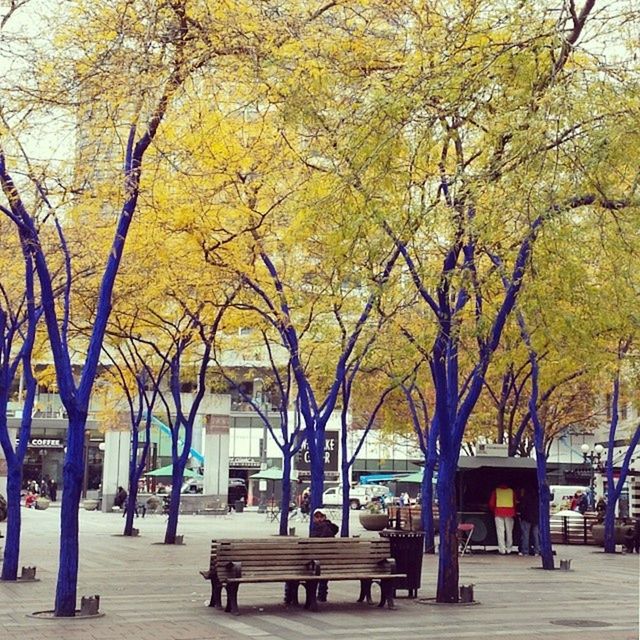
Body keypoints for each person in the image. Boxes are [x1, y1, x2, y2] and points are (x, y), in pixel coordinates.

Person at [311, 508, 338, 602]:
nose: (319, 519)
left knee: (316, 569)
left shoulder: (323, 528)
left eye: (321, 517)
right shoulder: (330, 527)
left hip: (321, 562)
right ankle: (322, 595)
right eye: (317, 517)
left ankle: (318, 595)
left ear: (325, 517)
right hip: (329, 561)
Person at [489, 482, 516, 555]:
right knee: (509, 532)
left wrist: (493, 510)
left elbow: (491, 504)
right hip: (510, 512)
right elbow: (514, 502)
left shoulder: (496, 491)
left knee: (500, 532)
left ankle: (502, 549)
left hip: (498, 512)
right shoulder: (511, 491)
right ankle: (509, 549)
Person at [518, 488, 540, 556]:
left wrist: (521, 516)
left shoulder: (525, 498)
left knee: (525, 535)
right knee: (536, 535)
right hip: (536, 518)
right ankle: (537, 551)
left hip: (526, 518)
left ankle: (525, 551)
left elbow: (522, 508)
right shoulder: (538, 499)